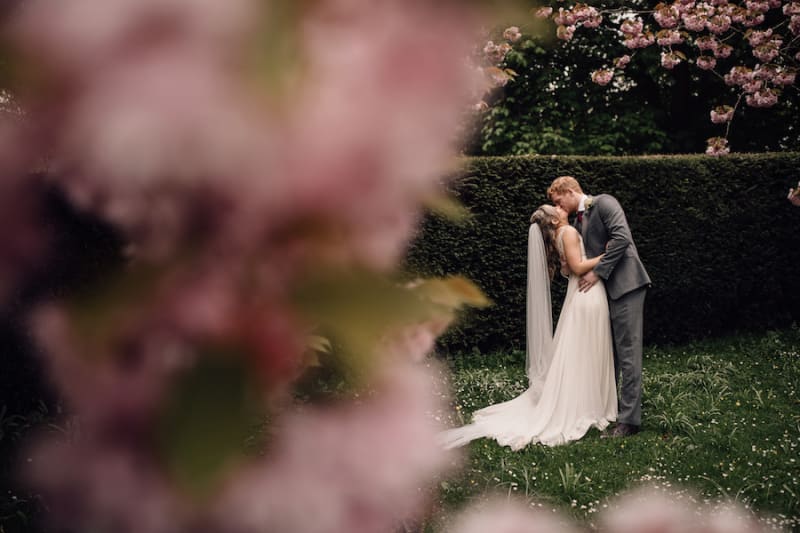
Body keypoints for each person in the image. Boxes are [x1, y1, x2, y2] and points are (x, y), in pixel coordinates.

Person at [438, 204, 617, 450]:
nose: (558, 207)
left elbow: (565, 268)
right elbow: (576, 268)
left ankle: (587, 400)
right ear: (554, 221)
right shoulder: (569, 233)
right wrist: (607, 255)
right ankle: (589, 405)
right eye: (554, 208)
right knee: (586, 350)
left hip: (576, 296)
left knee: (579, 350)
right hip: (587, 294)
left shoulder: (559, 236)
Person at [548, 176, 651, 438]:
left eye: (558, 200)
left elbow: (622, 239)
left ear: (570, 191)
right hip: (604, 293)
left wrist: (598, 273)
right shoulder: (574, 224)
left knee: (628, 353)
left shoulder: (605, 203)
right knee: (611, 354)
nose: (557, 206)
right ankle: (611, 409)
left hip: (626, 285)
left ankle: (630, 421)